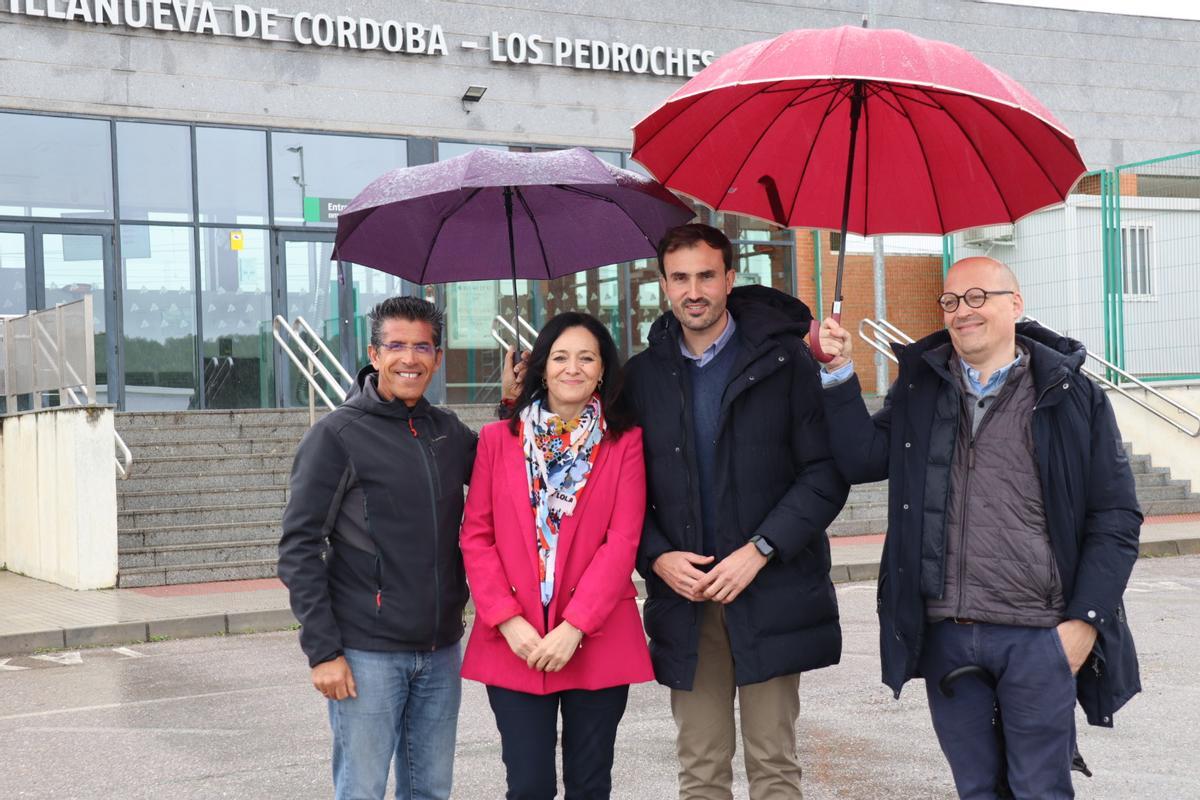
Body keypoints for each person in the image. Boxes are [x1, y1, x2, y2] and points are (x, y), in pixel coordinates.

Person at [817, 256, 1142, 800]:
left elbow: (1116, 516)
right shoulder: (923, 388)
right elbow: (861, 458)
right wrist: (838, 375)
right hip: (948, 633)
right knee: (975, 789)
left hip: (1038, 633)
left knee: (1040, 789)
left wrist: (1084, 621)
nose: (962, 312)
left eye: (977, 297)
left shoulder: (1071, 395)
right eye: (950, 301)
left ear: (1015, 304)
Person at [623, 223, 850, 800]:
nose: (693, 290)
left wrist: (761, 550)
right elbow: (616, 489)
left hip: (771, 592)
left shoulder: (786, 364)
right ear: (664, 285)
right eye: (680, 278)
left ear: (729, 278)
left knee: (773, 764)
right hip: (687, 601)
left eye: (705, 275)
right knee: (700, 769)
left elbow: (825, 475)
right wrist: (656, 556)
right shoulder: (641, 378)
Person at [278, 295, 514, 800]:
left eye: (423, 346)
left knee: (430, 792)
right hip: (366, 653)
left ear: (438, 356)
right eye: (397, 345)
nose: (410, 358)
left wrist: (513, 406)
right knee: (362, 790)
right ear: (374, 352)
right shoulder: (336, 435)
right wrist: (323, 652)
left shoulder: (447, 432)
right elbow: (298, 547)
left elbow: (508, 474)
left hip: (440, 648)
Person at [459, 311, 654, 800]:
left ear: (602, 370)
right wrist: (507, 620)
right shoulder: (497, 441)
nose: (573, 368)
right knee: (528, 786)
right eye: (560, 357)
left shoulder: (624, 442)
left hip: (596, 636)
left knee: (590, 785)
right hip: (515, 639)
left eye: (586, 357)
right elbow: (476, 536)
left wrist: (574, 626)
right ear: (540, 367)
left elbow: (622, 541)